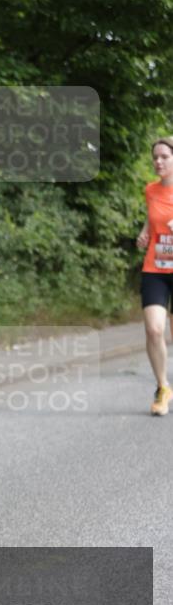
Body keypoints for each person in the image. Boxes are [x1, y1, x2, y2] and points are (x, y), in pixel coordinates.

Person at [136, 136, 173, 416]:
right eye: (155, 157)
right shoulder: (150, 190)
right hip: (155, 268)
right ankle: (162, 388)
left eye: (164, 157)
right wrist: (144, 233)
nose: (158, 162)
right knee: (154, 329)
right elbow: (151, 219)